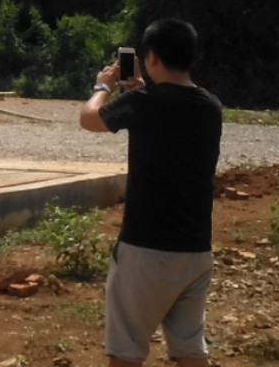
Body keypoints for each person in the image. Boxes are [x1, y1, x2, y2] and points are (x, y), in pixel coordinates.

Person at [78, 18, 223, 367]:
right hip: (196, 250)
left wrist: (103, 86)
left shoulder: (143, 102)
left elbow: (90, 118)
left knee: (126, 353)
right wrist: (144, 89)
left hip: (146, 249)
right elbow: (169, 112)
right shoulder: (211, 107)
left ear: (152, 58)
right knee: (190, 350)